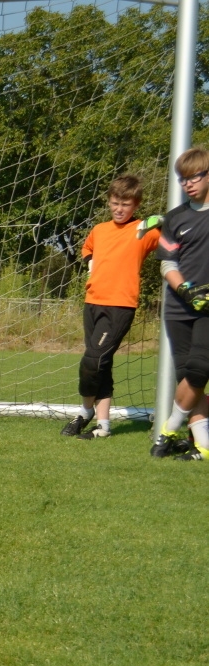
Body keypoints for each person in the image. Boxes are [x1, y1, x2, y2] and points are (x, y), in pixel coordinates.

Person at [60, 176, 161, 440]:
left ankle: (85, 412)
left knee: (92, 361)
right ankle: (103, 426)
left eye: (125, 204)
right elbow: (87, 247)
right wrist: (91, 261)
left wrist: (161, 220)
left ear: (135, 205)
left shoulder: (143, 230)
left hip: (120, 306)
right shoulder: (100, 229)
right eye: (115, 202)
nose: (119, 208)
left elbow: (175, 236)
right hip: (92, 302)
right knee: (101, 363)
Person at [152, 147, 209, 461]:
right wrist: (187, 291)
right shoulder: (174, 218)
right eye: (182, 179)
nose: (188, 184)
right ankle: (204, 446)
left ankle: (170, 429)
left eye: (194, 177)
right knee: (188, 377)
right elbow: (167, 264)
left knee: (200, 369)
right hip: (179, 307)